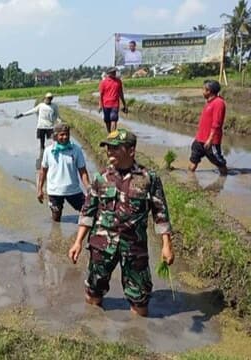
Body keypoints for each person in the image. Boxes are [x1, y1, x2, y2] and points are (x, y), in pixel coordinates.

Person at [67, 129, 174, 317]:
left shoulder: (149, 179)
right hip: (102, 247)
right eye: (108, 148)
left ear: (131, 150)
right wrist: (78, 242)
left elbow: (161, 214)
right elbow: (88, 212)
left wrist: (167, 245)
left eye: (115, 148)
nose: (109, 152)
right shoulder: (101, 178)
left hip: (134, 249)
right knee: (93, 295)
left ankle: (136, 339)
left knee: (140, 303)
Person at [37, 123, 90, 222]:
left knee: (88, 211)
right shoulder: (49, 151)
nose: (65, 137)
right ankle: (56, 235)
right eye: (61, 134)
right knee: (56, 218)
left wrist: (89, 188)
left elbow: (83, 171)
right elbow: (43, 171)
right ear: (56, 136)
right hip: (54, 191)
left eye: (67, 134)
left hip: (73, 190)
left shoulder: (76, 150)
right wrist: (40, 189)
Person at [189, 80, 228, 176]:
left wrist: (210, 139)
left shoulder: (219, 103)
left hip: (211, 141)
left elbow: (216, 123)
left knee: (219, 162)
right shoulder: (209, 102)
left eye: (203, 89)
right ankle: (190, 180)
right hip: (200, 139)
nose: (202, 91)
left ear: (209, 91)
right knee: (194, 159)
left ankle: (223, 179)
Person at [14, 92, 61, 163]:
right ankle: (41, 158)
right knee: (42, 143)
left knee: (53, 142)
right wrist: (22, 115)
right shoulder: (41, 105)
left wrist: (59, 123)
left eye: (50, 98)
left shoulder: (54, 106)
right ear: (45, 98)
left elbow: (57, 115)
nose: (49, 99)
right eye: (48, 98)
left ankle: (53, 157)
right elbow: (32, 111)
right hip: (41, 127)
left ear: (52, 99)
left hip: (50, 127)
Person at [99, 67, 128, 133]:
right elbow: (101, 95)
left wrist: (124, 104)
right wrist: (100, 105)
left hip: (115, 104)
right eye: (113, 72)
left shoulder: (118, 81)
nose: (114, 73)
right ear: (109, 73)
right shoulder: (103, 83)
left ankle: (113, 136)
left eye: (115, 72)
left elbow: (121, 93)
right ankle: (110, 134)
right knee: (107, 120)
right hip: (106, 105)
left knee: (114, 120)